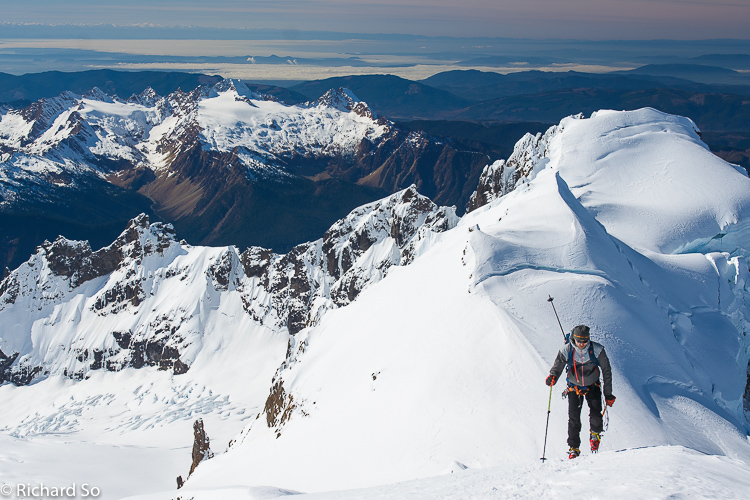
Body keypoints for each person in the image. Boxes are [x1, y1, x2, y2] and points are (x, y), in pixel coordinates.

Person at [545, 325, 615, 459]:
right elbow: (558, 366)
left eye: (584, 341)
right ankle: (574, 448)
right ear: (574, 339)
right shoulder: (567, 350)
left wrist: (608, 394)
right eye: (579, 341)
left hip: (593, 386)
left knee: (596, 414)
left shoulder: (597, 350)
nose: (582, 344)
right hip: (574, 388)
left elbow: (607, 371)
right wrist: (553, 376)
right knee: (574, 419)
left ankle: (595, 434)